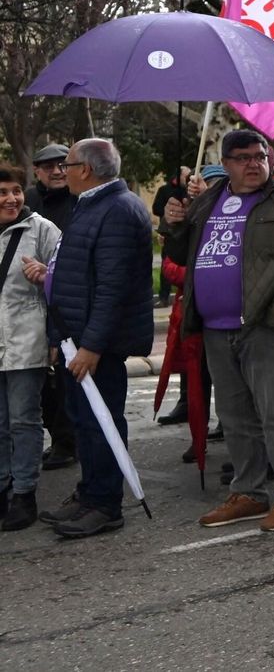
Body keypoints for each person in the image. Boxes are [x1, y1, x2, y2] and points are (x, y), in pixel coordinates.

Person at [162, 129, 274, 533]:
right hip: (216, 328)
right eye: (243, 157)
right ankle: (249, 492)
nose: (254, 164)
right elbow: (182, 256)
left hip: (265, 327)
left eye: (260, 156)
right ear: (227, 163)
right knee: (234, 416)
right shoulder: (207, 201)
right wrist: (175, 225)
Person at [36, 139, 154, 539]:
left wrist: (92, 346)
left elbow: (111, 289)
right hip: (75, 339)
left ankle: (105, 503)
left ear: (84, 169)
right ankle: (89, 493)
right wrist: (61, 336)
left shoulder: (118, 210)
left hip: (96, 345)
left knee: (101, 422)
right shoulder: (90, 204)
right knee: (84, 421)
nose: (60, 171)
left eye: (66, 164)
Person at [0, 164, 61, 530]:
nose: (11, 198)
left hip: (26, 342)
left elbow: (69, 278)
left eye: (16, 191)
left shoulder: (41, 229)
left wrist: (47, 274)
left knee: (24, 420)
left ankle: (24, 494)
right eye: (3, 192)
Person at [26, 143, 76, 473]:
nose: (57, 171)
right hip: (31, 300)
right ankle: (59, 436)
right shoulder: (27, 200)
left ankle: (67, 440)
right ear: (37, 172)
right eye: (49, 166)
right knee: (40, 379)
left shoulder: (80, 201)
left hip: (66, 299)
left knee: (67, 376)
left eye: (62, 164)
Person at [152, 167, 191, 307]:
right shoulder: (164, 190)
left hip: (185, 234)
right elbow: (156, 208)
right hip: (169, 233)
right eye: (186, 176)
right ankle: (163, 297)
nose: (188, 179)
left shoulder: (189, 190)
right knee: (167, 265)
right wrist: (169, 212)